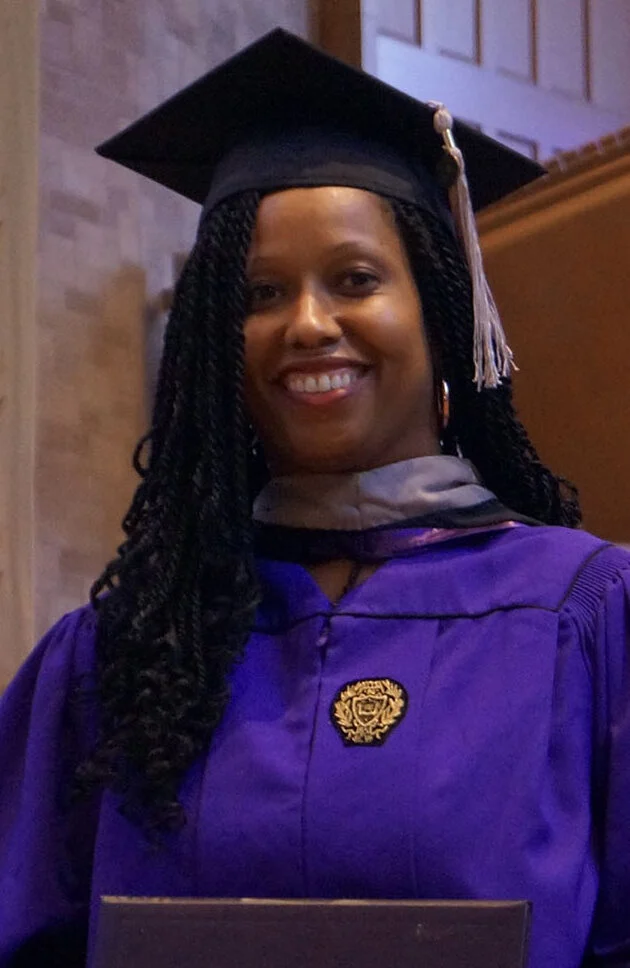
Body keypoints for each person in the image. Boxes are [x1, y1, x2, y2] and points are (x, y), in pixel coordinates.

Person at [1, 28, 629, 968]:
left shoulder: (584, 614)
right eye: (257, 293)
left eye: (355, 279)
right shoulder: (125, 648)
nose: (306, 324)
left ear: (444, 314)